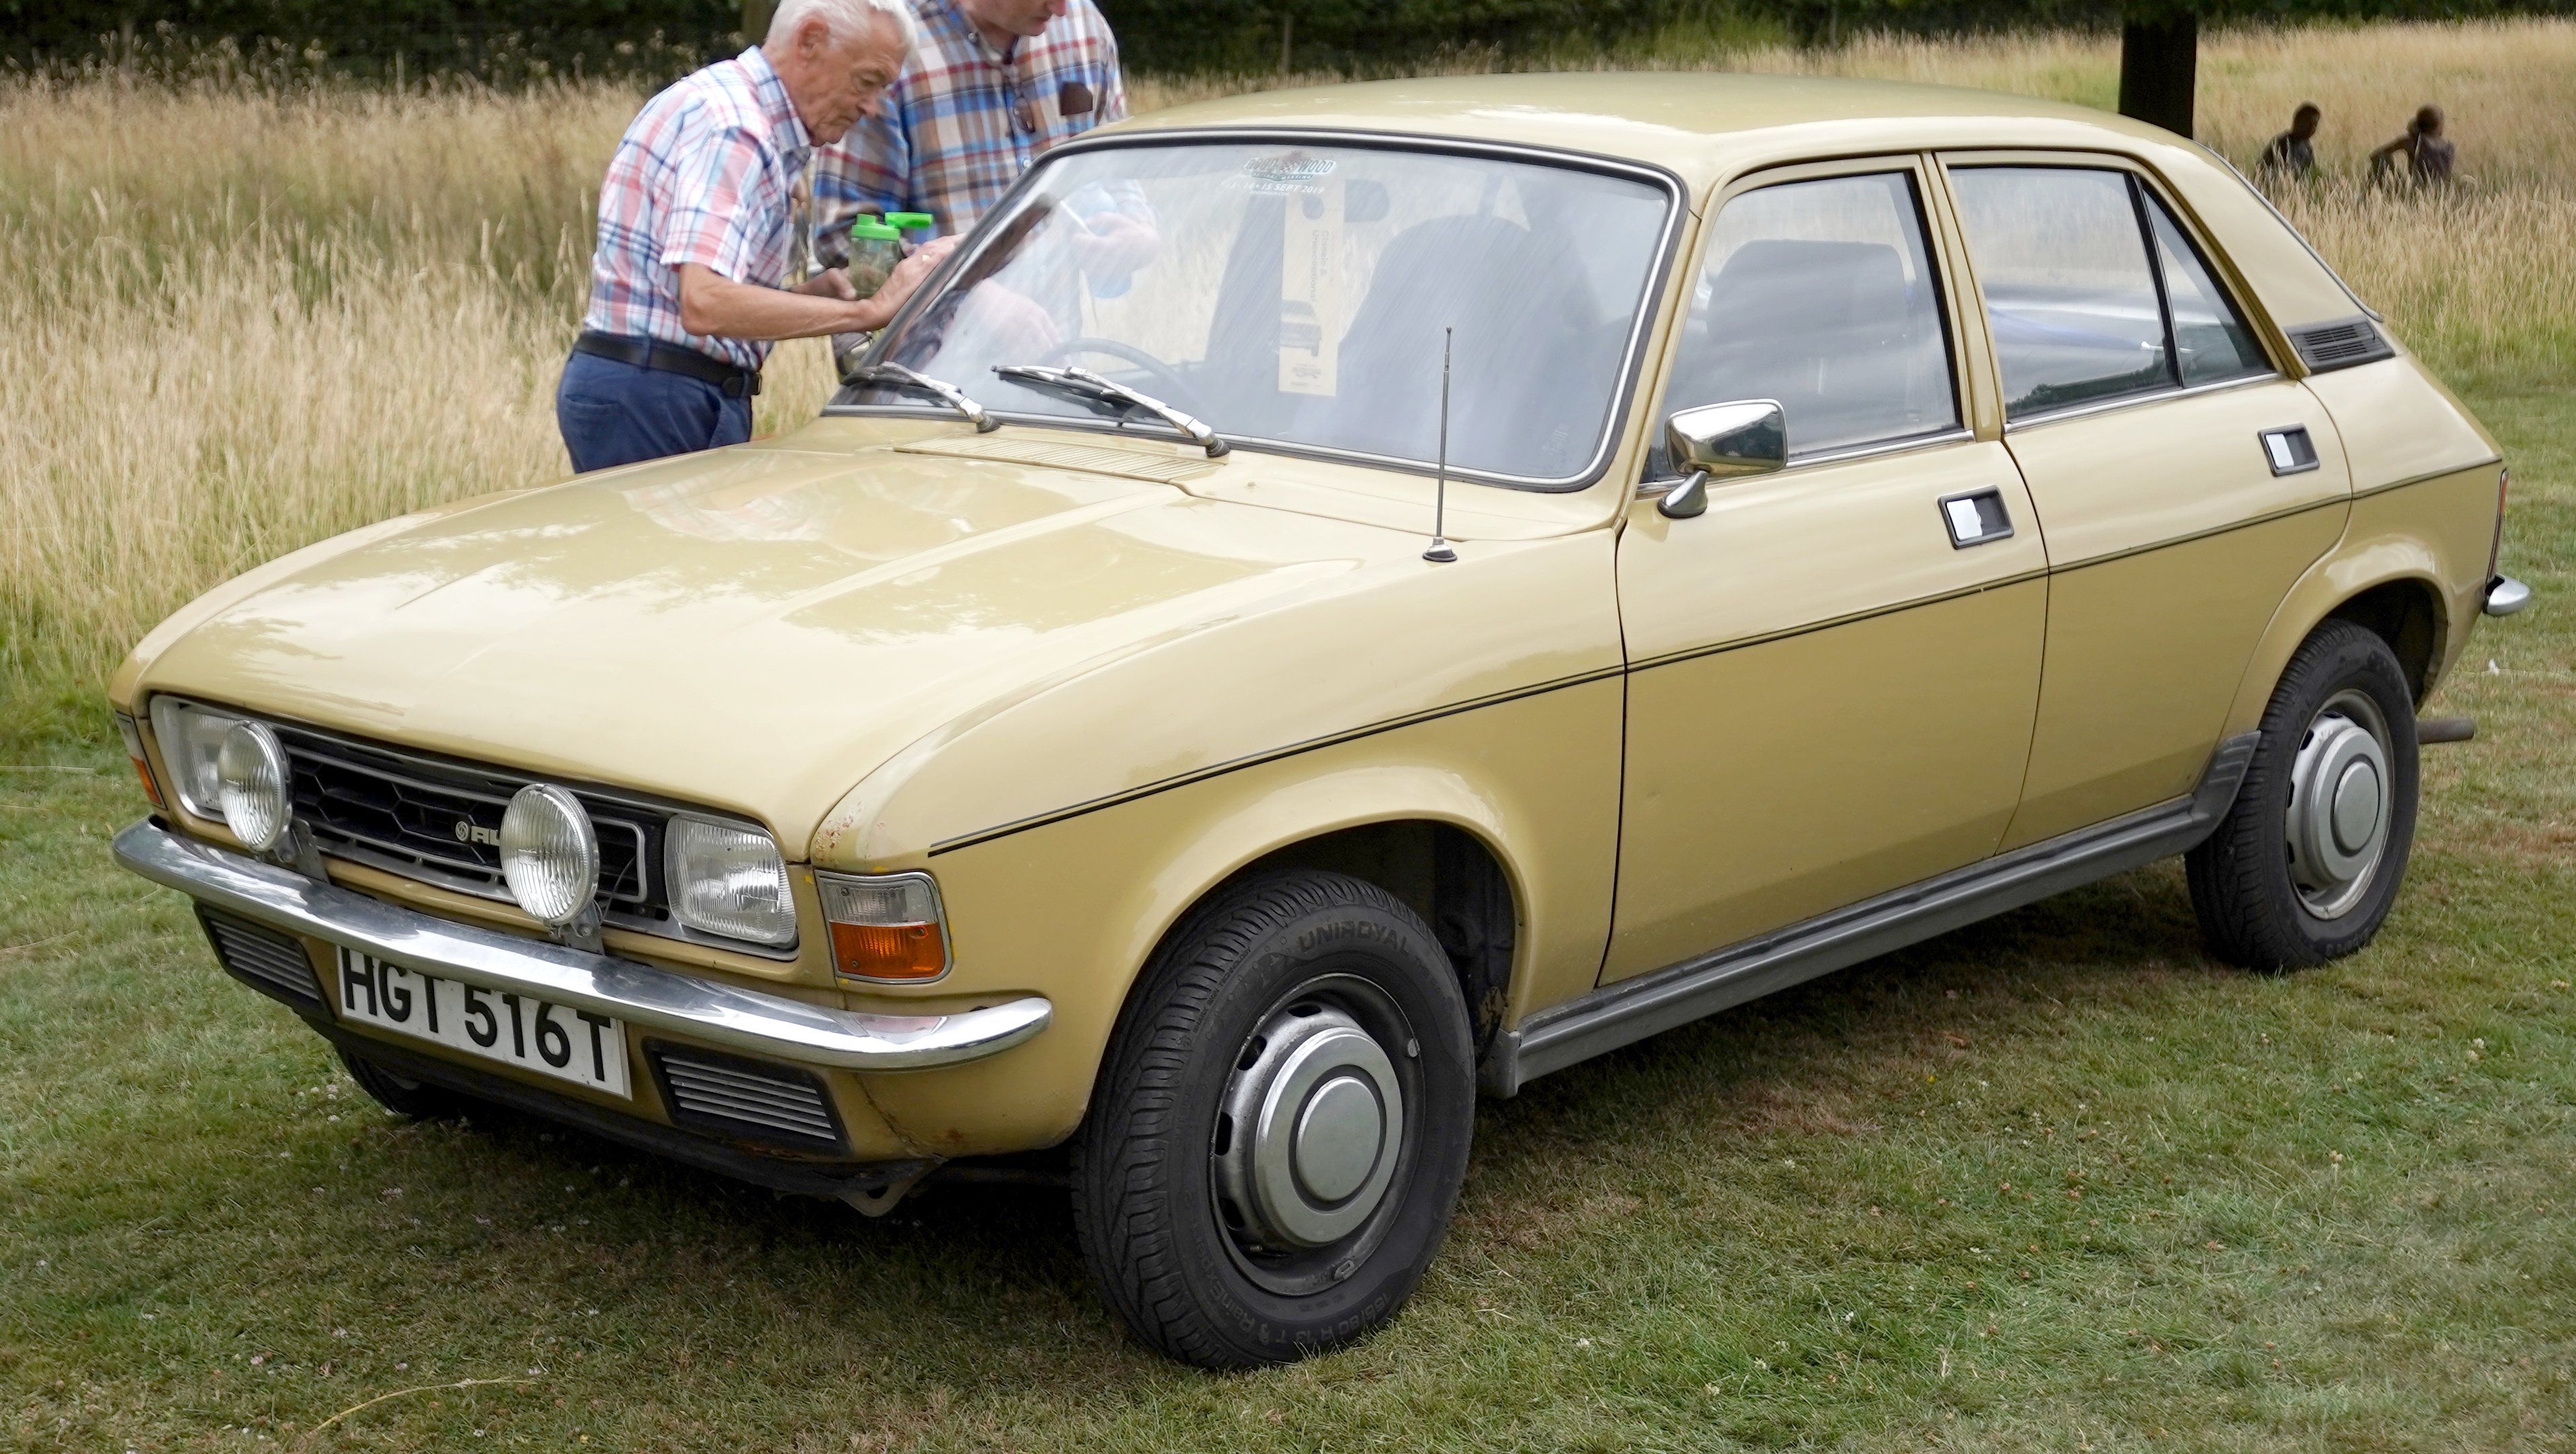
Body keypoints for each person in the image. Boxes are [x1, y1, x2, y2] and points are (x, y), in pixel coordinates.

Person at [556, 0, 959, 472]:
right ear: (809, 41)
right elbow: (703, 302)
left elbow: (689, 296)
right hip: (661, 391)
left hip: (653, 385)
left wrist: (812, 294)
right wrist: (869, 310)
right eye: (866, 81)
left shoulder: (733, 109)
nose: (871, 108)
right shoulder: (737, 128)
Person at [810, 0, 1144, 260]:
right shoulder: (890, 43)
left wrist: (1137, 226)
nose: (1062, 8)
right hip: (938, 347)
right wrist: (953, 291)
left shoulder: (1084, 28)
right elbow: (846, 236)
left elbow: (1117, 164)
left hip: (1062, 344)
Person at [2369, 104, 2457, 191]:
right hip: (2442, 192)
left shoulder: (2412, 141)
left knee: (2380, 159)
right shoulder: (2450, 147)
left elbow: (2376, 154)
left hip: (2416, 191)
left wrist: (2395, 178)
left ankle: (2376, 193)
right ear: (2440, 125)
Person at [2259, 102, 2321, 185]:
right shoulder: (2283, 143)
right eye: (2309, 124)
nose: (2312, 128)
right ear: (2298, 122)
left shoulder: (2306, 146)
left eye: (2315, 125)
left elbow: (2311, 172)